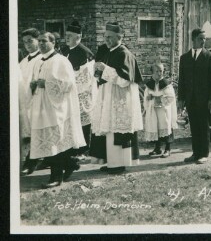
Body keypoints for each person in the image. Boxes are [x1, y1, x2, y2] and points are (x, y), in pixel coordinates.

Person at [29, 32, 86, 188]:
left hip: (57, 107)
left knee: (56, 141)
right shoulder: (37, 61)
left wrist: (47, 83)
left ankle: (56, 177)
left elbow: (68, 84)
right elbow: (34, 80)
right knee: (50, 141)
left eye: (44, 41)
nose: (41, 44)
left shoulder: (61, 61)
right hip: (42, 106)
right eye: (39, 41)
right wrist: (33, 84)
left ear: (53, 42)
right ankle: (70, 164)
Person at [91, 22, 143, 174]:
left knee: (118, 129)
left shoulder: (124, 53)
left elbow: (124, 80)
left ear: (119, 37)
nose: (106, 40)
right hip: (109, 96)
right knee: (109, 129)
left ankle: (119, 163)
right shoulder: (109, 51)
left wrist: (104, 69)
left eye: (110, 37)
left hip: (120, 98)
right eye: (105, 37)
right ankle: (111, 162)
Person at [178, 28, 211, 164]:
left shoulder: (210, 57)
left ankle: (204, 154)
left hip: (205, 99)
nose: (203, 41)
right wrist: (181, 98)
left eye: (204, 39)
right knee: (194, 127)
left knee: (204, 126)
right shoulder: (184, 58)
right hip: (190, 99)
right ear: (193, 39)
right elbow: (181, 80)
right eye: (201, 38)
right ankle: (195, 153)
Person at [60, 21, 96, 160]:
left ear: (78, 37)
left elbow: (86, 77)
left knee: (83, 120)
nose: (66, 38)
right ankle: (71, 147)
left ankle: (83, 150)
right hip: (68, 92)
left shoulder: (84, 53)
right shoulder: (64, 50)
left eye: (70, 35)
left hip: (82, 93)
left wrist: (71, 86)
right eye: (66, 35)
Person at [19, 28, 43, 175]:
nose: (27, 44)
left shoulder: (41, 59)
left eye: (30, 41)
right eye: (24, 42)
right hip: (24, 101)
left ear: (38, 40)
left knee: (37, 131)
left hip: (37, 100)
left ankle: (32, 161)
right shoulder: (23, 61)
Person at [141, 62, 177, 158]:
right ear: (152, 72)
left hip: (163, 110)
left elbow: (171, 97)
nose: (159, 73)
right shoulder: (149, 84)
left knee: (165, 126)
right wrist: (148, 99)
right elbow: (145, 97)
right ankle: (157, 148)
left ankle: (167, 149)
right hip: (153, 110)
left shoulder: (166, 84)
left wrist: (159, 98)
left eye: (161, 71)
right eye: (157, 71)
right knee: (156, 127)